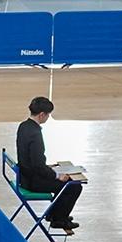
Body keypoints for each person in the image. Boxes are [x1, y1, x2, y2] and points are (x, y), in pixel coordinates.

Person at [15, 97, 81, 232]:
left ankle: (54, 214)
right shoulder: (35, 134)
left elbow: (32, 159)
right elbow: (38, 165)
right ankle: (59, 219)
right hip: (33, 181)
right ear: (41, 115)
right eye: (48, 115)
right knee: (74, 186)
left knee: (66, 183)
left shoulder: (24, 126)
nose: (48, 117)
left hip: (24, 176)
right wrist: (57, 175)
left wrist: (50, 169)